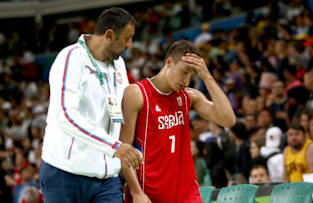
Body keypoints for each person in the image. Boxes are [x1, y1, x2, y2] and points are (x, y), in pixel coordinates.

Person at [40, 7, 143, 203]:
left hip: (107, 179)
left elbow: (123, 109)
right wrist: (114, 146)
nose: (130, 45)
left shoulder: (119, 64)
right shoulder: (70, 59)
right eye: (127, 38)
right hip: (65, 175)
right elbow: (66, 116)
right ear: (109, 35)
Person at [120, 40, 236, 202]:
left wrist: (207, 77)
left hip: (187, 193)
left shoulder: (188, 96)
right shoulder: (137, 93)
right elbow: (124, 149)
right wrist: (136, 192)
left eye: (192, 75)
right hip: (150, 194)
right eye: (184, 72)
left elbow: (228, 120)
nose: (186, 80)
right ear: (169, 63)